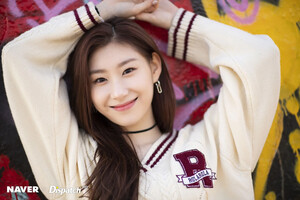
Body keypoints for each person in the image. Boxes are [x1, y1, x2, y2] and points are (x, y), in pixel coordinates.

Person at [2, 0, 280, 199]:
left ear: (154, 68)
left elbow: (259, 57)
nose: (119, 91)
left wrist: (177, 23)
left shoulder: (216, 144)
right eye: (99, 80)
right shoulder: (75, 162)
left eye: (128, 70)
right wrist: (101, 12)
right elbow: (19, 58)